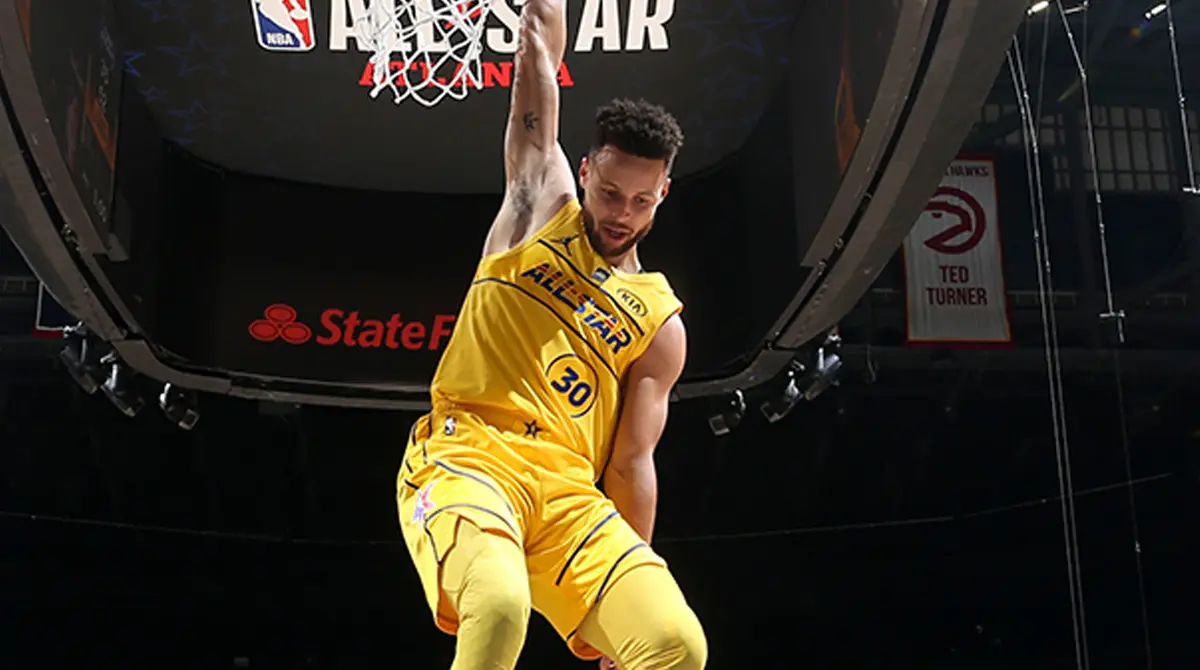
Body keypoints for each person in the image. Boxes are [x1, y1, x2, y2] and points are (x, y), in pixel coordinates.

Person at [394, 0, 705, 667]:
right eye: (611, 193)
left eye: (641, 200)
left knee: (675, 645)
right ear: (586, 173)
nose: (622, 214)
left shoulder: (660, 323)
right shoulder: (541, 201)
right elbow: (537, 43)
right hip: (469, 456)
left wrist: (625, 601)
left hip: (568, 494)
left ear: (662, 194)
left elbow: (631, 463)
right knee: (498, 605)